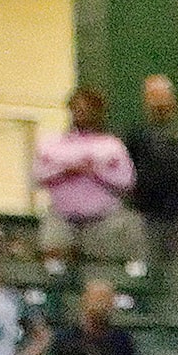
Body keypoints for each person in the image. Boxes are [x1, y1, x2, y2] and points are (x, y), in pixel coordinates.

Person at [34, 87, 140, 266]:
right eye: (77, 109)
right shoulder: (53, 144)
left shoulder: (111, 146)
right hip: (61, 218)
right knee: (54, 268)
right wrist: (65, 170)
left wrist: (95, 172)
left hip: (102, 221)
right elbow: (37, 175)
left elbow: (126, 181)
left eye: (86, 109)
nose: (81, 113)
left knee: (101, 271)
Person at [124, 75, 178, 266]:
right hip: (144, 212)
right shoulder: (137, 133)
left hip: (175, 214)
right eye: (154, 96)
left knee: (174, 266)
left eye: (163, 96)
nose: (160, 102)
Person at [66, 277, 140, 355]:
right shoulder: (69, 337)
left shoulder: (123, 339)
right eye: (96, 298)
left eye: (105, 299)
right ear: (85, 301)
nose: (100, 305)